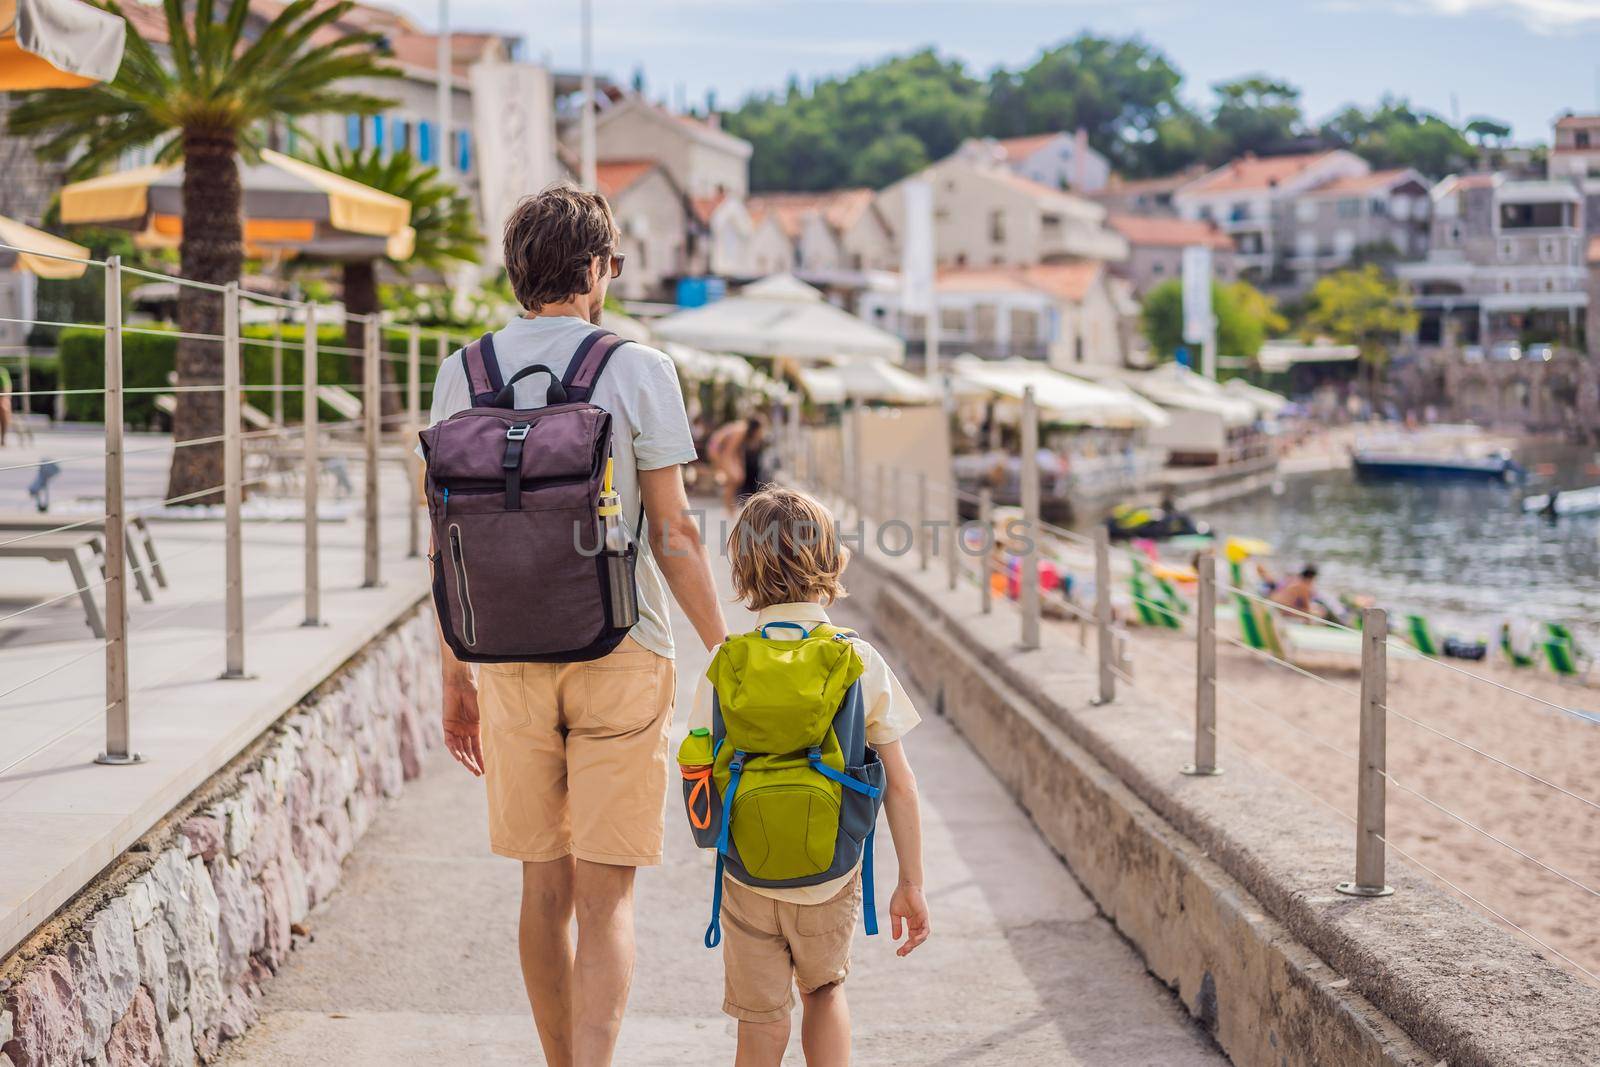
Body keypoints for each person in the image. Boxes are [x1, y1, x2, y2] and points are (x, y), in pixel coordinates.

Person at [423, 185, 729, 1067]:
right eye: (613, 264)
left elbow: (444, 544)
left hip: (507, 654)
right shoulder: (638, 367)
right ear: (594, 268)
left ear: (518, 269)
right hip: (622, 650)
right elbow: (671, 530)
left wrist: (456, 674)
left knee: (542, 888)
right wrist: (724, 648)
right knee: (607, 900)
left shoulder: (462, 371)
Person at [687, 486, 931, 1066]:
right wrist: (911, 883)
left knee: (761, 1019)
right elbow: (902, 783)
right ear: (832, 559)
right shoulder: (857, 658)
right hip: (830, 871)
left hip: (747, 873)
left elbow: (696, 767)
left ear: (741, 566)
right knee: (823, 992)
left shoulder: (726, 662)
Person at [707, 414, 768, 511]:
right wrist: (725, 468)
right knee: (734, 478)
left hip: (719, 449)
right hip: (715, 447)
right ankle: (729, 508)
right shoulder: (740, 431)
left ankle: (730, 507)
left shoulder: (744, 432)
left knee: (737, 477)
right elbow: (728, 452)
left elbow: (738, 453)